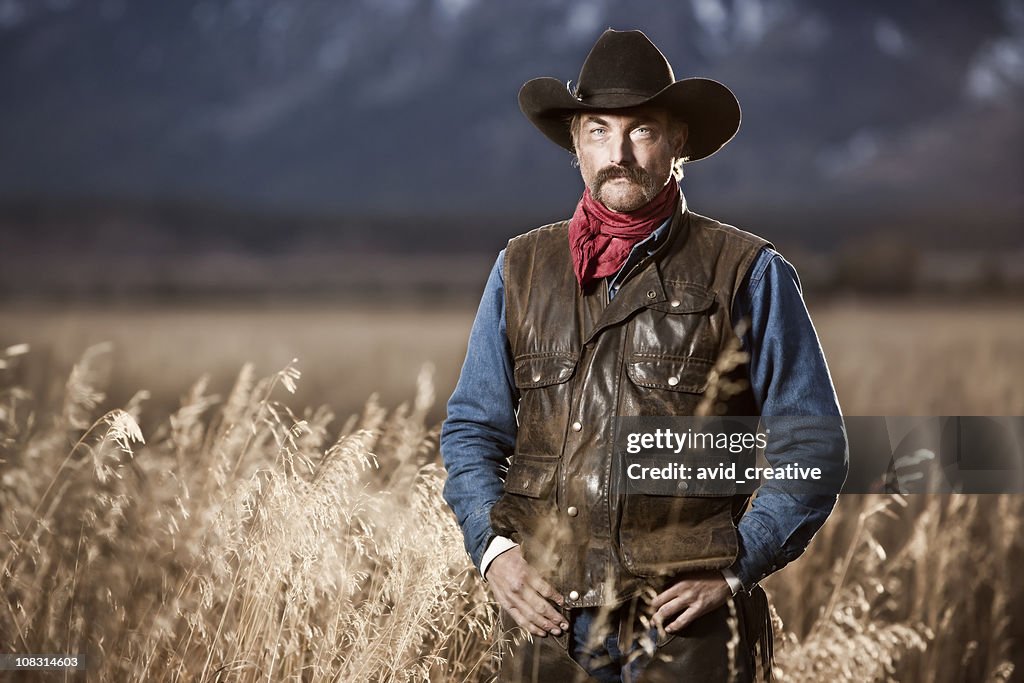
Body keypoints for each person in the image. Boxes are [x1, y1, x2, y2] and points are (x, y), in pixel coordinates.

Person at [440, 28, 848, 682]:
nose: (618, 153)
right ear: (575, 143)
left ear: (678, 141)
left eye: (641, 131)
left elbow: (815, 446)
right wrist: (496, 554)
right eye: (598, 130)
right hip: (546, 627)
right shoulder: (519, 268)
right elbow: (472, 430)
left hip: (685, 632)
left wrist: (736, 563)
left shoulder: (750, 272)